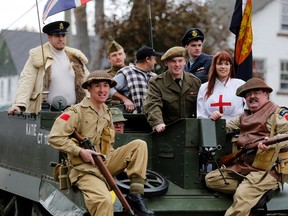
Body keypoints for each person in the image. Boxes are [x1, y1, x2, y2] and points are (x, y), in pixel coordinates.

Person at [48, 70, 154, 216]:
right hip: (84, 168)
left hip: (104, 161)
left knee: (139, 145)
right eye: (97, 86)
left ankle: (135, 194)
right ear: (89, 89)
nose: (103, 90)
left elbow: (108, 144)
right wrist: (80, 151)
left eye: (105, 86)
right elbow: (54, 137)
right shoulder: (75, 112)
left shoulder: (107, 112)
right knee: (103, 201)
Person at [205, 78, 288, 216]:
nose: (252, 97)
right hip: (244, 168)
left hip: (267, 171)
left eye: (256, 92)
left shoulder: (277, 114)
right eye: (248, 95)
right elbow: (224, 128)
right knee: (211, 179)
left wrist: (273, 142)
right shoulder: (243, 116)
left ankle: (247, 195)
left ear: (266, 94)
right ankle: (251, 192)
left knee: (242, 197)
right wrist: (215, 118)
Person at [7, 21, 89, 114]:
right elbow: (26, 80)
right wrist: (19, 104)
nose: (61, 39)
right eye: (57, 36)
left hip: (74, 112)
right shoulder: (38, 55)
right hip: (47, 114)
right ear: (49, 37)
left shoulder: (75, 56)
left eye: (63, 35)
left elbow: (89, 82)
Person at [143, 46, 201, 133]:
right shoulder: (157, 83)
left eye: (180, 61)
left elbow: (202, 106)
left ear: (185, 62)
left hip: (191, 130)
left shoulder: (195, 82)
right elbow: (152, 105)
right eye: (173, 61)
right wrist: (158, 122)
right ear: (166, 63)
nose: (177, 65)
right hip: (167, 130)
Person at [109, 46, 162, 113]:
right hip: (135, 118)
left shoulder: (154, 76)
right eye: (154, 59)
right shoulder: (127, 72)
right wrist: (125, 99)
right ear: (147, 59)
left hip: (153, 118)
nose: (155, 62)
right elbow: (108, 88)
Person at [197, 50, 245, 123]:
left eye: (226, 64)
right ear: (214, 66)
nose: (223, 67)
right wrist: (210, 117)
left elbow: (249, 108)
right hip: (211, 128)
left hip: (236, 128)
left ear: (230, 66)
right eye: (219, 64)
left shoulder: (240, 84)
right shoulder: (204, 88)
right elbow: (200, 115)